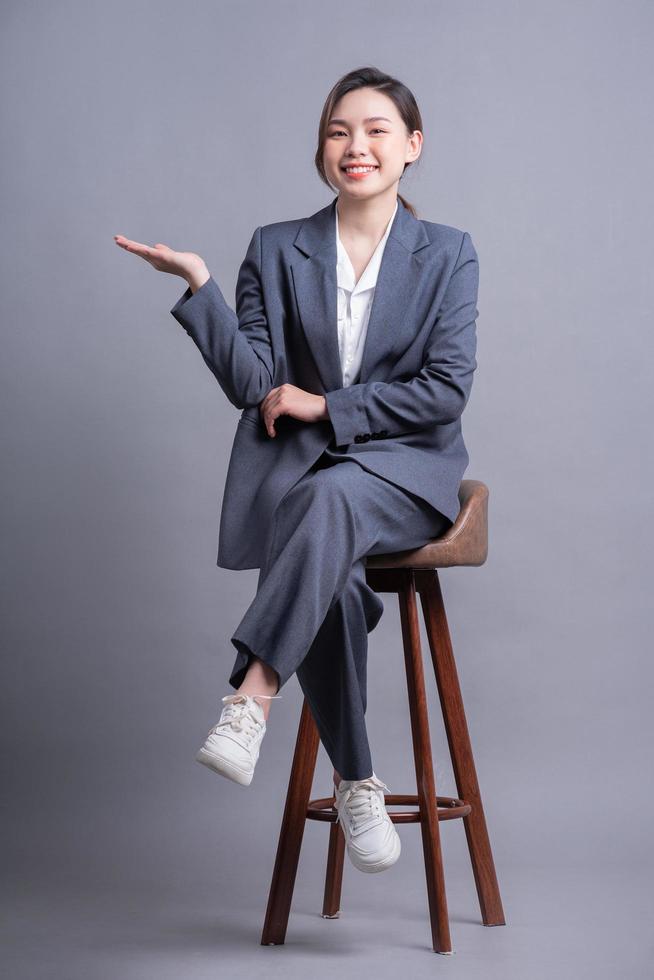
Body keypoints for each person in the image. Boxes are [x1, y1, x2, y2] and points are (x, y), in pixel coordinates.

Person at [113, 66, 479, 875]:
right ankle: (357, 780)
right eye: (339, 131)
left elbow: (443, 390)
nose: (357, 146)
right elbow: (254, 385)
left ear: (412, 146)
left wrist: (327, 408)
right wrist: (200, 284)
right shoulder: (278, 248)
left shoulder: (448, 254)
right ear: (322, 148)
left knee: (335, 494)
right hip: (308, 490)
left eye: (378, 130)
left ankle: (251, 696)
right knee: (332, 575)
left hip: (403, 477)